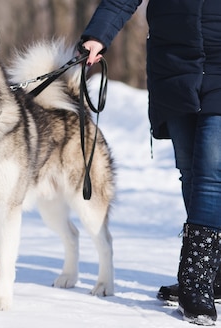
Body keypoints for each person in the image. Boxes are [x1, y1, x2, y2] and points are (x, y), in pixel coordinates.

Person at [81, 0, 221, 325]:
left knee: (212, 171)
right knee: (190, 169)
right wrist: (98, 35)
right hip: (174, 65)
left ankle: (196, 279)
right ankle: (214, 271)